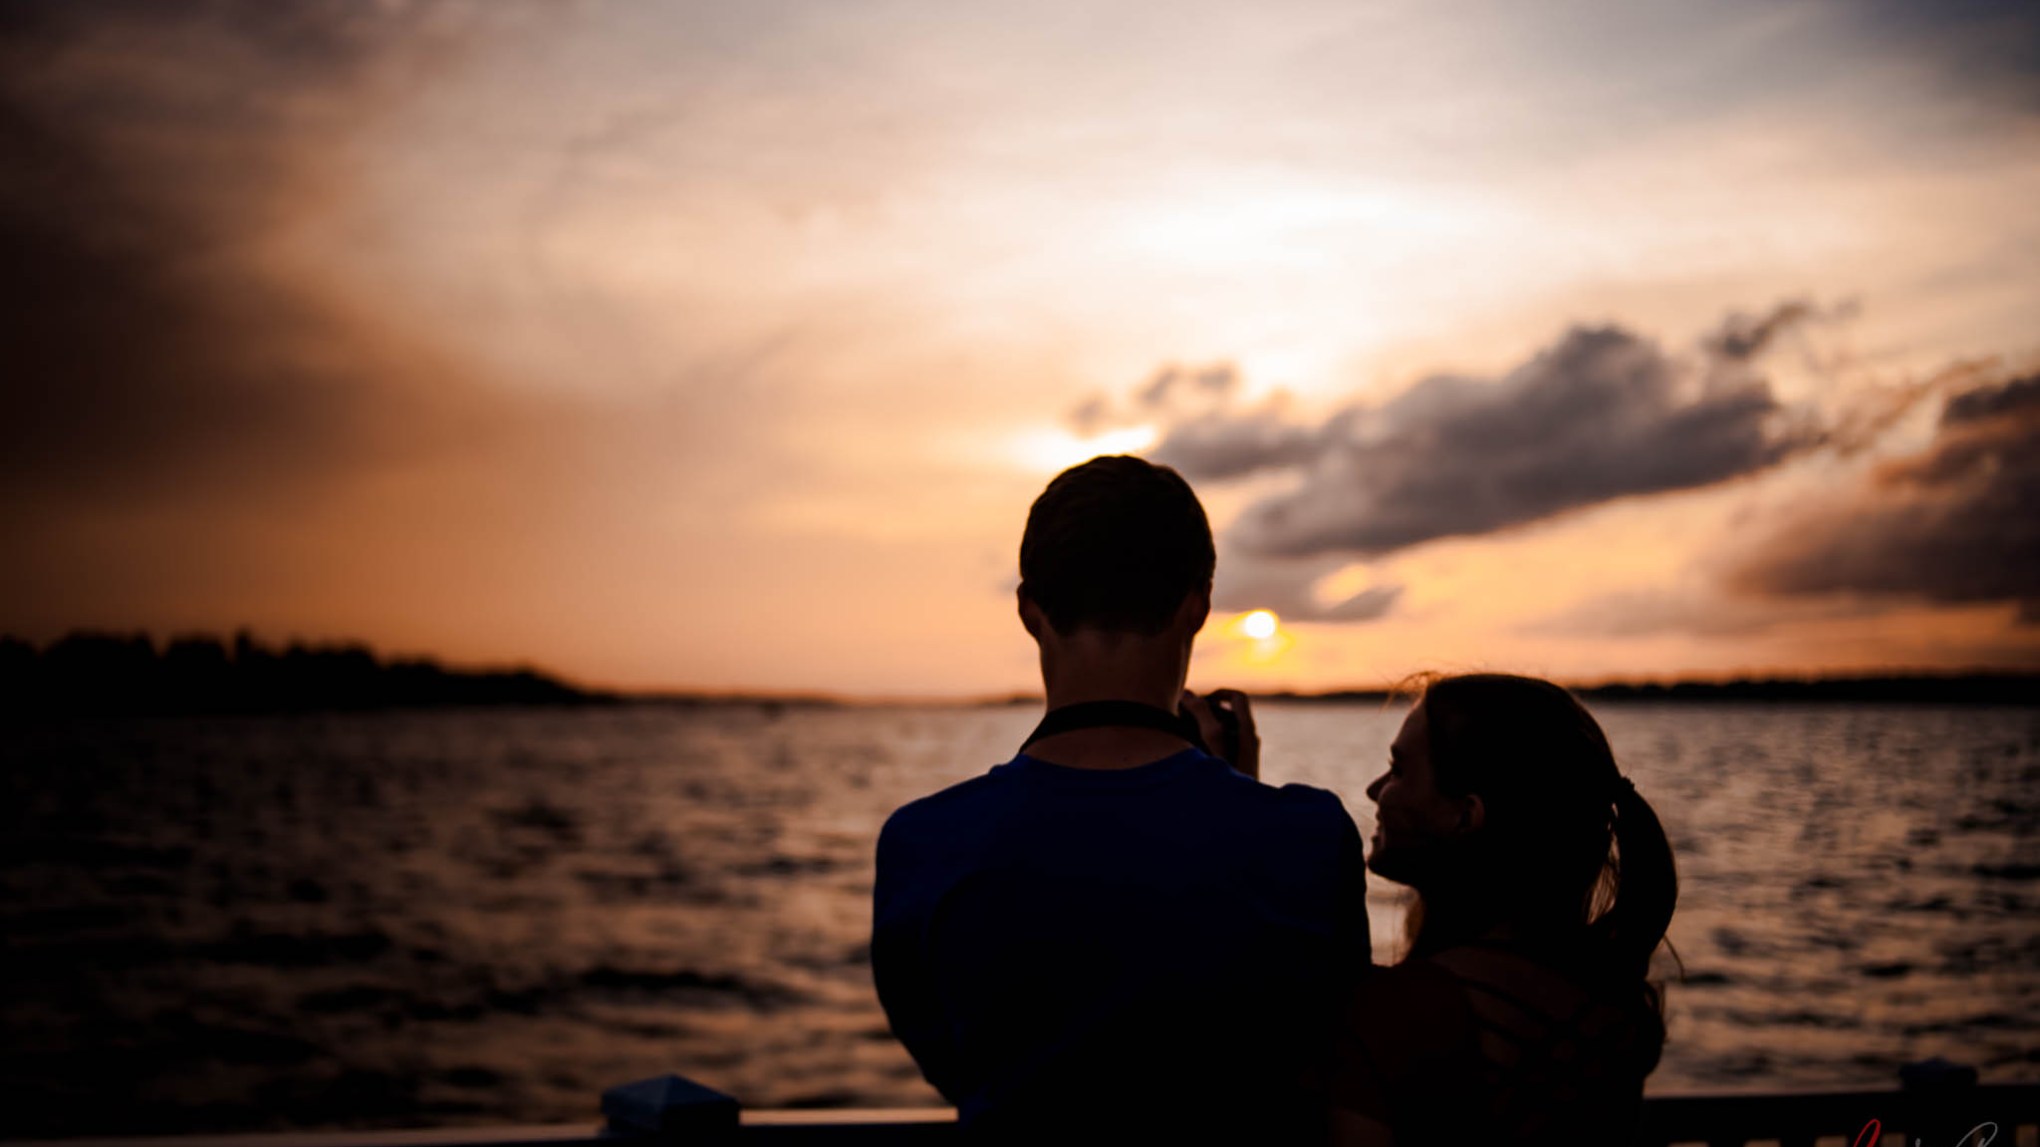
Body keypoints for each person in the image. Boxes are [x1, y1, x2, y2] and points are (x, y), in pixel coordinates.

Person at [872, 454, 1370, 1144]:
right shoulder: (1309, 838)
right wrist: (1239, 798)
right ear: (1196, 604)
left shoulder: (922, 844)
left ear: (1029, 610)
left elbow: (964, 1067)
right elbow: (1317, 1050)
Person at [1330, 673, 1679, 1147]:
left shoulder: (1401, 1009)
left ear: (1465, 815)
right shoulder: (1610, 1010)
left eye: (1398, 769)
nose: (1375, 790)